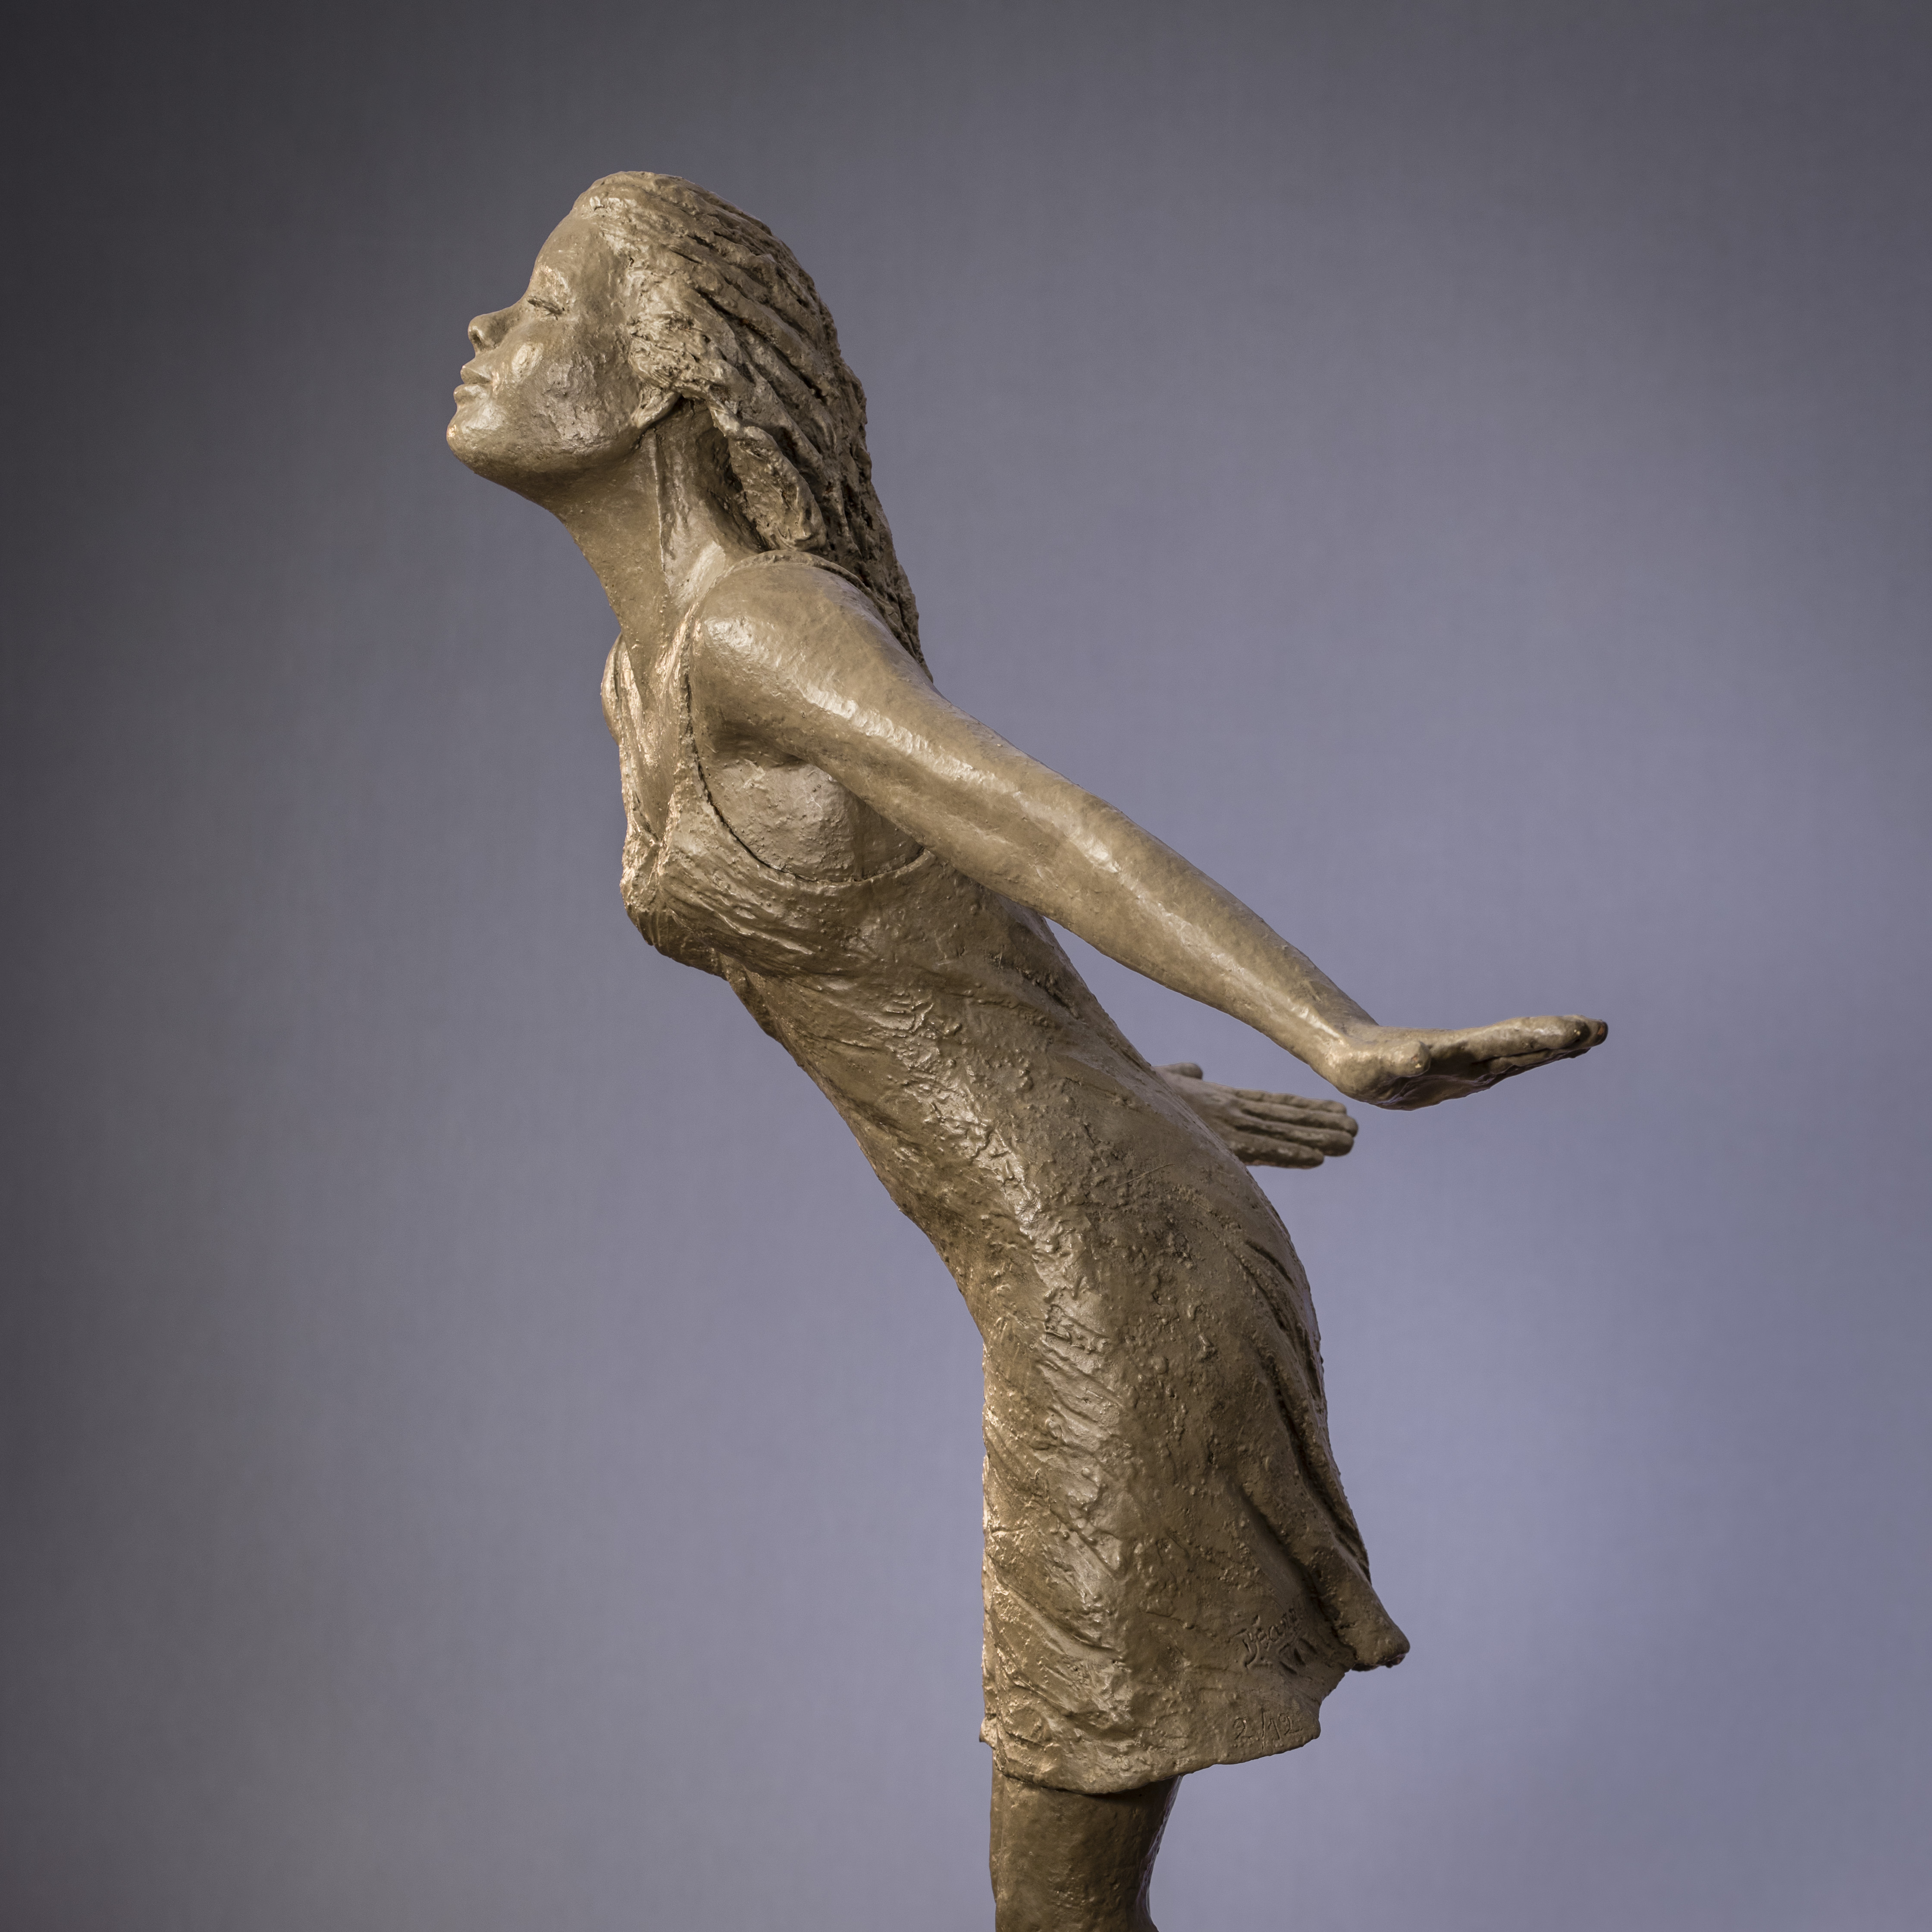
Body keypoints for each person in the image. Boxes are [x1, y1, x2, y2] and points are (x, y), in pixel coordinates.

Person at [447, 172, 1605, 1932]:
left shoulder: (759, 626)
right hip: (1076, 1232)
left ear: (661, 380)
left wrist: (1331, 1029)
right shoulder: (641, 679)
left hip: (1109, 1281)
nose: (486, 328)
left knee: (1056, 1904)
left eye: (539, 308)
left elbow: (1042, 829)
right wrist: (1136, 1083)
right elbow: (922, 931)